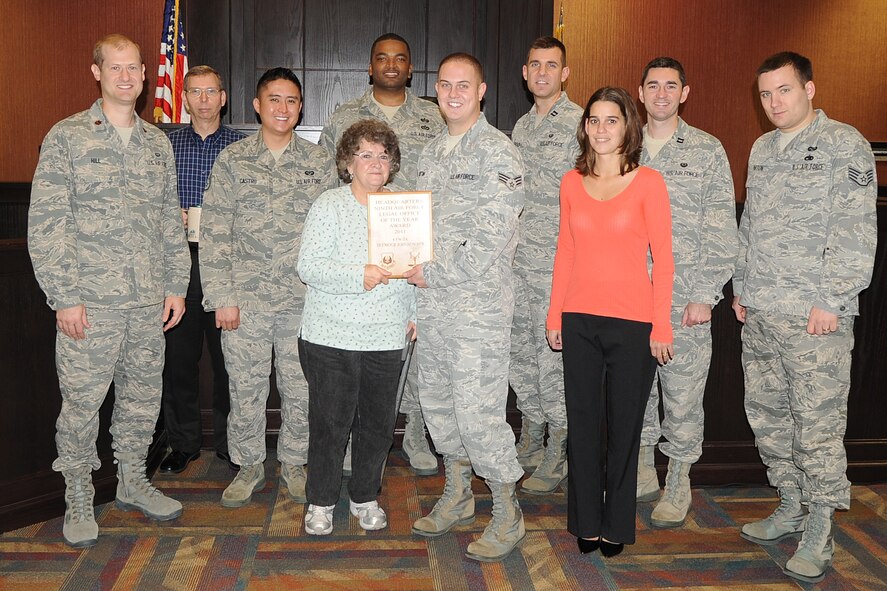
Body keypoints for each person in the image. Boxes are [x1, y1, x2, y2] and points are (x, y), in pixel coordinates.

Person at [27, 34, 191, 547]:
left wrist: (176, 285)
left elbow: (170, 222)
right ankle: (77, 494)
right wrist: (65, 296)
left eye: (134, 69)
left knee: (142, 402)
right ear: (96, 72)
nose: (126, 77)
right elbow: (47, 224)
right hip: (90, 306)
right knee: (80, 406)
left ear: (146, 75)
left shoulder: (157, 144)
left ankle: (133, 481)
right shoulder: (68, 137)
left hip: (147, 306)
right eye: (115, 68)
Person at [733, 52, 877, 584]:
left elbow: (857, 230)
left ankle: (821, 526)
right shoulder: (762, 148)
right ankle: (790, 503)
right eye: (766, 94)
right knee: (769, 416)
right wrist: (742, 288)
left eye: (785, 91)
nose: (774, 103)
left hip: (815, 317)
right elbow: (749, 223)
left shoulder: (845, 144)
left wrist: (833, 298)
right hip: (764, 311)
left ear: (810, 89)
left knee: (816, 425)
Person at [403, 53, 526, 563]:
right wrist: (411, 292)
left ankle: (506, 509)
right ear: (435, 90)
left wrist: (428, 274)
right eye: (445, 85)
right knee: (438, 408)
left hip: (477, 312)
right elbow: (408, 229)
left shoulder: (501, 154)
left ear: (482, 91)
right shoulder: (427, 154)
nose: (453, 93)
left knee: (479, 414)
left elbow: (489, 241)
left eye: (464, 85)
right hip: (430, 310)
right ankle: (457, 493)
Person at [546, 87, 674, 558]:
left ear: (628, 126)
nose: (601, 129)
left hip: (633, 324)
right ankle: (585, 519)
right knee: (581, 425)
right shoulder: (569, 182)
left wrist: (661, 325)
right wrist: (554, 312)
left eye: (611, 120)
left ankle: (617, 522)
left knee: (624, 428)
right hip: (578, 320)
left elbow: (664, 260)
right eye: (593, 120)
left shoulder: (649, 183)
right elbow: (566, 250)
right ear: (585, 128)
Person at [199, 67, 335, 508]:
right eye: (274, 99)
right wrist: (222, 298)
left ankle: (294, 461)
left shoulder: (319, 164)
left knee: (301, 388)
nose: (283, 108)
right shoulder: (233, 161)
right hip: (246, 302)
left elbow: (333, 231)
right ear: (257, 106)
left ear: (301, 108)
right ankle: (249, 465)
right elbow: (216, 232)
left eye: (291, 101)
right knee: (246, 388)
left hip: (303, 301)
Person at [319, 33, 444, 476]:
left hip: (414, 244)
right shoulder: (346, 115)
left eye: (400, 59)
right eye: (382, 58)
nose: (391, 65)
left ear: (411, 68)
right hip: (359, 243)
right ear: (369, 67)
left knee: (410, 349)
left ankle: (411, 433)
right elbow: (327, 179)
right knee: (360, 363)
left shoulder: (434, 115)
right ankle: (359, 441)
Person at [298, 119, 416, 535]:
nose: (375, 162)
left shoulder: (403, 207)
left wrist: (416, 306)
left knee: (377, 427)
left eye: (383, 155)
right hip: (331, 336)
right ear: (348, 162)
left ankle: (365, 496)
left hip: (387, 335)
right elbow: (308, 267)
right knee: (330, 425)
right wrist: (357, 275)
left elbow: (416, 267)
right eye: (365, 154)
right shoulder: (328, 205)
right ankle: (321, 501)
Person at [635, 57, 737, 527]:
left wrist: (705, 293)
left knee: (681, 395)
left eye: (670, 86)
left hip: (683, 301)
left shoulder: (706, 150)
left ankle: (678, 479)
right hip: (628, 298)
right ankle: (639, 471)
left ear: (685, 92)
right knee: (632, 391)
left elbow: (721, 228)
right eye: (653, 85)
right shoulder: (623, 145)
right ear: (640, 93)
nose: (661, 94)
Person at [160, 65, 245, 475]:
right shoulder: (165, 145)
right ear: (186, 98)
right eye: (196, 91)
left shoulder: (244, 148)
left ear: (223, 98)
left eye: (212, 91)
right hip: (180, 259)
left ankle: (232, 444)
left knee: (230, 357)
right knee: (179, 359)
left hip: (229, 262)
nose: (204, 99)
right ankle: (184, 443)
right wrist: (165, 216)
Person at [509, 36, 582, 493]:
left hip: (560, 265)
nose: (542, 73)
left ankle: (559, 448)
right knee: (522, 357)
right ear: (524, 71)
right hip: (518, 265)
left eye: (551, 65)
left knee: (554, 360)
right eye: (535, 64)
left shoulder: (580, 123)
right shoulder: (520, 127)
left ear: (565, 73)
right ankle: (532, 434)